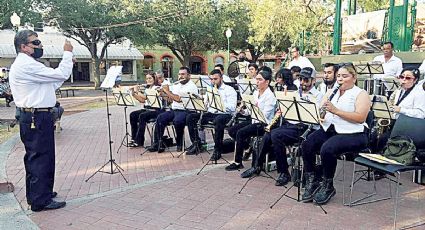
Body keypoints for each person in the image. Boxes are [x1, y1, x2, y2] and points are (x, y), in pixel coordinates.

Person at [9, 30, 73, 212]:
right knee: (40, 157)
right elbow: (60, 74)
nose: (40, 45)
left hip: (37, 116)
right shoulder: (26, 65)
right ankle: (40, 200)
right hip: (35, 117)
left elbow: (52, 83)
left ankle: (41, 192)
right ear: (23, 47)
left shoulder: (29, 64)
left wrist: (64, 69)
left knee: (40, 156)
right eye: (35, 43)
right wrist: (67, 53)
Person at [240, 67, 324, 186]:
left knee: (276, 135)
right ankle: (257, 166)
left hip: (307, 128)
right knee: (268, 134)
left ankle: (284, 172)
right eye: (300, 79)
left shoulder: (319, 96)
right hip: (293, 125)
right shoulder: (296, 93)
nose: (302, 83)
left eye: (306, 80)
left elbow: (317, 119)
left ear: (313, 80)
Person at [301, 63, 370, 205]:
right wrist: (321, 114)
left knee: (327, 148)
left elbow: (360, 118)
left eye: (345, 76)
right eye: (338, 76)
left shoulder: (360, 94)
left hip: (354, 133)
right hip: (333, 129)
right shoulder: (332, 91)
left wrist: (335, 110)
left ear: (354, 77)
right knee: (307, 144)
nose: (340, 79)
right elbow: (322, 111)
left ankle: (328, 185)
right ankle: (312, 180)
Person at [225, 70, 277, 171]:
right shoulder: (256, 92)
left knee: (240, 133)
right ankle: (247, 146)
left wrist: (253, 108)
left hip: (264, 124)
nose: (257, 82)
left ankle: (237, 162)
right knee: (232, 130)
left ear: (267, 82)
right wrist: (242, 111)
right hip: (254, 120)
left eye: (260, 80)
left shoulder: (270, 96)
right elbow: (249, 112)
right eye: (256, 79)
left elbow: (264, 115)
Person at [185, 69, 237, 158]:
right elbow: (206, 104)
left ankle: (218, 149)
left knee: (218, 120)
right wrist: (201, 103)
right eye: (212, 79)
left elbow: (232, 107)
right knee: (191, 117)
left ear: (221, 78)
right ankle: (196, 143)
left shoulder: (229, 90)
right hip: (211, 113)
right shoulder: (209, 89)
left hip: (225, 114)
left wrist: (219, 103)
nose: (213, 81)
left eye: (215, 79)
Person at [147, 67, 198, 153]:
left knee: (177, 121)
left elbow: (178, 99)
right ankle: (158, 143)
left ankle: (180, 144)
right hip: (175, 109)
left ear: (189, 76)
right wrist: (162, 93)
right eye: (179, 74)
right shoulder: (176, 85)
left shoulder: (191, 86)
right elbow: (170, 99)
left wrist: (166, 91)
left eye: (183, 74)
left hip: (187, 110)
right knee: (160, 118)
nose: (180, 76)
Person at [375, 68, 425, 153]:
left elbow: (421, 114)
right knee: (376, 138)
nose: (404, 80)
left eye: (408, 78)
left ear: (415, 80)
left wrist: (401, 110)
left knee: (383, 140)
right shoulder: (399, 90)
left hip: (408, 127)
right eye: (402, 77)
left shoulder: (420, 93)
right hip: (396, 123)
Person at [128, 71, 161, 147]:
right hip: (147, 108)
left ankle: (139, 140)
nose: (148, 80)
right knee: (133, 115)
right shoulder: (148, 88)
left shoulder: (157, 88)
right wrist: (133, 94)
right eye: (147, 79)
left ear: (154, 78)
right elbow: (142, 100)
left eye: (150, 78)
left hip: (156, 110)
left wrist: (137, 91)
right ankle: (134, 138)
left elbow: (146, 97)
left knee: (142, 116)